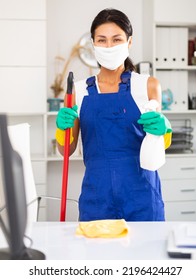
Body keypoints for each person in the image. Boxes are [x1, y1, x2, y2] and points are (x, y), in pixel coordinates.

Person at [55, 8, 172, 222]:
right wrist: (62, 129)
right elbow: (66, 151)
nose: (109, 46)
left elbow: (157, 145)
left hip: (142, 197)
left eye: (116, 39)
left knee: (147, 254)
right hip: (97, 199)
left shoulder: (147, 85)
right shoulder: (77, 92)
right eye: (102, 40)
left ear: (129, 42)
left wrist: (163, 131)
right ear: (93, 44)